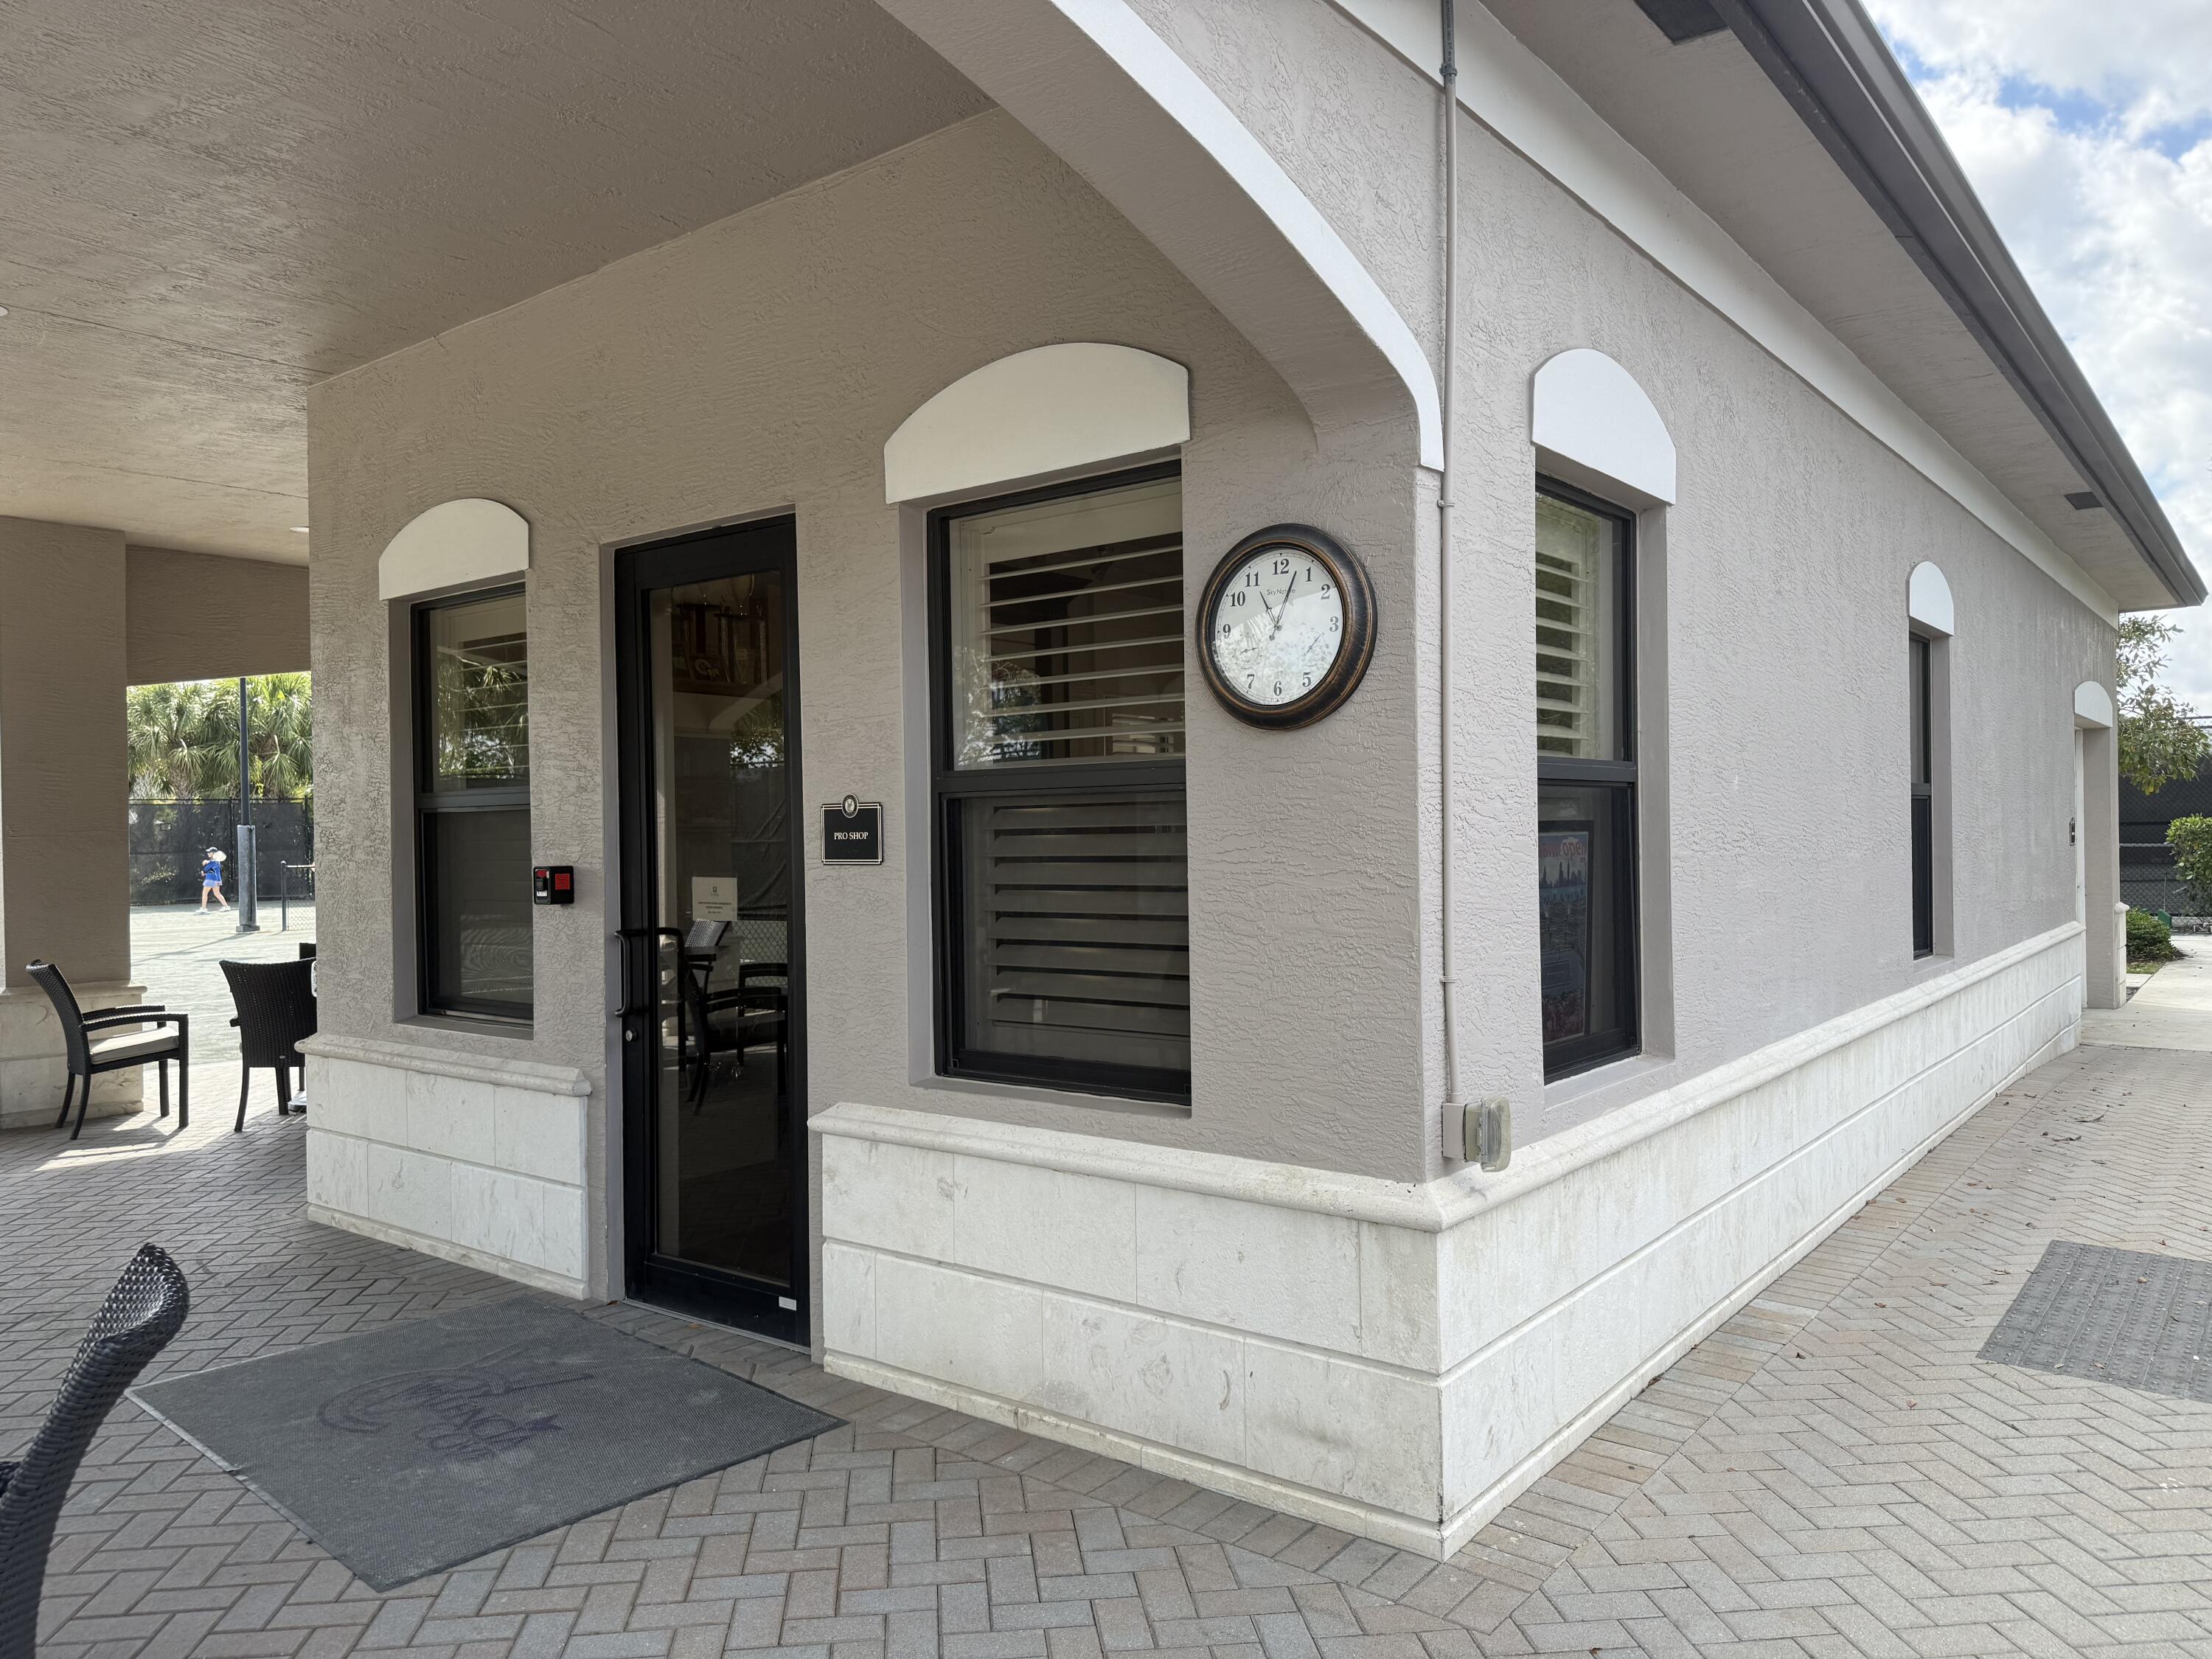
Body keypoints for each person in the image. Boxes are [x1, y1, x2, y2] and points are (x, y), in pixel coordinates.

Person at [199, 847, 229, 913]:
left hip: (211, 879)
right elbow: (211, 869)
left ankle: (203, 909)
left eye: (209, 852)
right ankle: (226, 907)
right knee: (217, 893)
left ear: (214, 854)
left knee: (204, 893)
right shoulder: (216, 862)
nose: (208, 853)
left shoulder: (214, 862)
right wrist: (207, 862)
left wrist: (204, 871)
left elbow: (207, 869)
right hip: (216, 880)